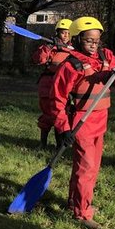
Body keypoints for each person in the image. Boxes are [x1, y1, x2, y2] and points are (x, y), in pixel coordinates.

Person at [49, 16, 115, 229]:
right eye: (89, 41)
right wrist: (63, 128)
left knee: (92, 167)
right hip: (81, 121)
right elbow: (57, 99)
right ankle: (82, 213)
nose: (94, 45)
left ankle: (75, 202)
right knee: (86, 167)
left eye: (97, 41)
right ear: (77, 40)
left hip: (101, 119)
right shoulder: (71, 65)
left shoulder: (106, 56)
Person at [31, 18, 72, 149]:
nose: (65, 36)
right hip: (48, 85)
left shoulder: (74, 49)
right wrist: (48, 47)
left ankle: (60, 145)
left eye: (68, 33)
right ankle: (42, 144)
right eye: (63, 32)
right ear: (57, 33)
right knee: (48, 115)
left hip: (64, 86)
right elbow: (38, 60)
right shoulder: (49, 47)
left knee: (62, 115)